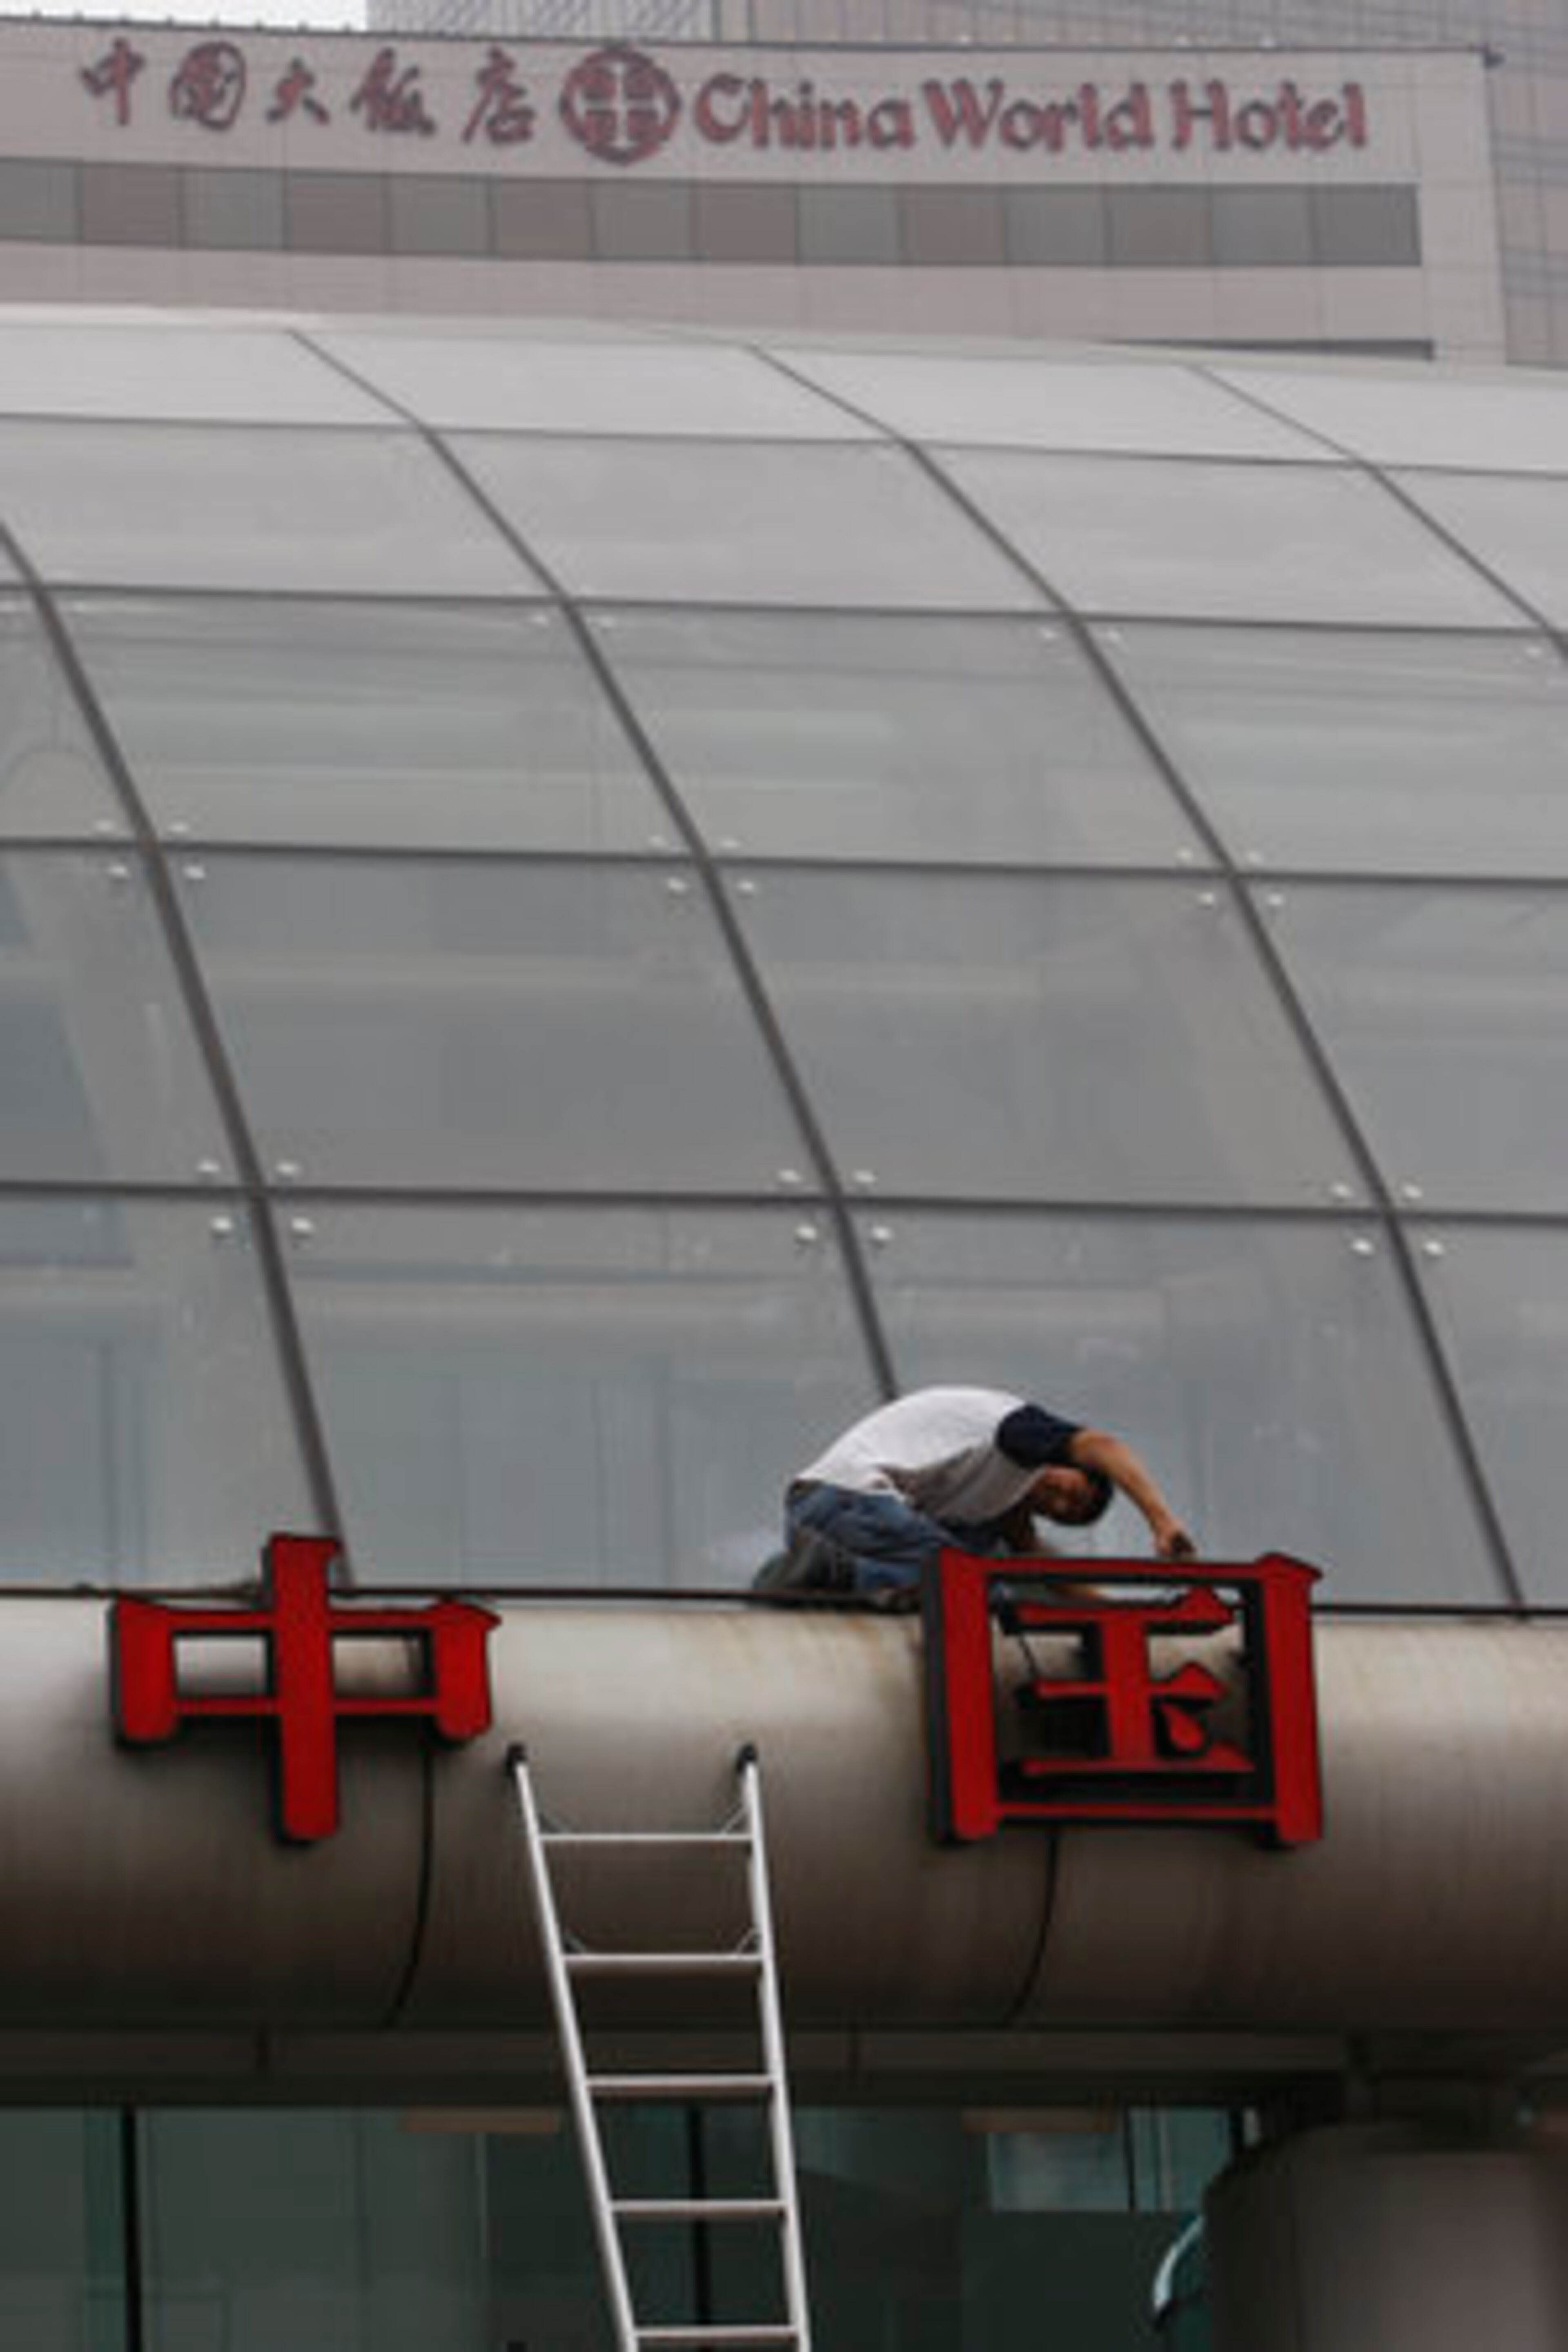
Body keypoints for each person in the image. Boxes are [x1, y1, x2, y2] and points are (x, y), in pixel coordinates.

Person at [773, 1385, 1196, 1602]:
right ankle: (844, 1576)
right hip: (851, 1497)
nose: (1060, 1503)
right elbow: (1106, 1447)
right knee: (975, 1585)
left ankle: (843, 1579)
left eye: (1065, 1514)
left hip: (817, 1507)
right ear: (1067, 1461)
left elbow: (1040, 1568)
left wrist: (1114, 1609)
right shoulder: (1022, 1432)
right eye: (1073, 1491)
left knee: (984, 1558)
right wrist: (1162, 1522)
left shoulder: (1001, 1498)